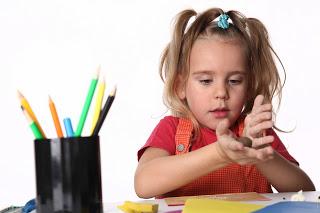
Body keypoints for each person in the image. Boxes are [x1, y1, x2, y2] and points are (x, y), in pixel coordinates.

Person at [134, 7, 315, 199]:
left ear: (249, 86)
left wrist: (261, 155)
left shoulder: (257, 133)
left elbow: (306, 192)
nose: (221, 93)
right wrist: (220, 154)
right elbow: (144, 185)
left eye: (234, 81)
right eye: (205, 81)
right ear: (180, 86)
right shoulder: (171, 129)